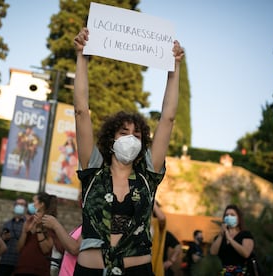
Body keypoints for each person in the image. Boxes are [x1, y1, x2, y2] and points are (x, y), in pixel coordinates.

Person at [72, 27, 184, 275]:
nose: (130, 138)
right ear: (111, 139)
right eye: (123, 132)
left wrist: (173, 69)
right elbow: (81, 111)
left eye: (137, 134)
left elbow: (168, 119)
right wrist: (81, 56)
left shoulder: (147, 175)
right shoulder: (93, 171)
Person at [14, 192, 59, 276]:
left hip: (38, 269)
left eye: (34, 201)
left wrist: (38, 229)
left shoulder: (50, 221)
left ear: (41, 204)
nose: (32, 205)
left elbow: (46, 249)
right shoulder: (29, 220)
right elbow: (18, 248)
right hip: (22, 267)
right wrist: (24, 231)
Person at [210, 204, 254, 275]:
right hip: (224, 272)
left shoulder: (245, 235)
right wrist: (221, 235)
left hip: (241, 272)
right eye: (227, 215)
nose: (229, 217)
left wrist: (230, 239)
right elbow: (213, 252)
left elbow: (246, 254)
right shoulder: (220, 237)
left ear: (238, 218)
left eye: (232, 215)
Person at [0, 198, 27, 276]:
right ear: (14, 206)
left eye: (22, 204)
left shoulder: (28, 225)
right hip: (5, 261)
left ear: (26, 208)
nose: (19, 206)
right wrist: (3, 238)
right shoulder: (7, 224)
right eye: (17, 204)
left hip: (20, 263)